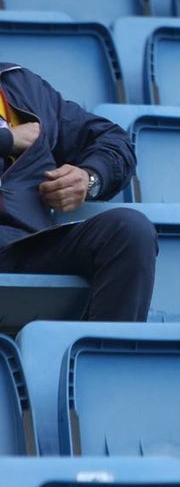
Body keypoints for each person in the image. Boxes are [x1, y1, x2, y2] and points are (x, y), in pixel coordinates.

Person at [0, 62, 156, 321]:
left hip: (22, 247)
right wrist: (8, 139)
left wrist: (88, 177)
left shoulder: (18, 85)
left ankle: (108, 356)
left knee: (129, 230)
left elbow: (113, 141)